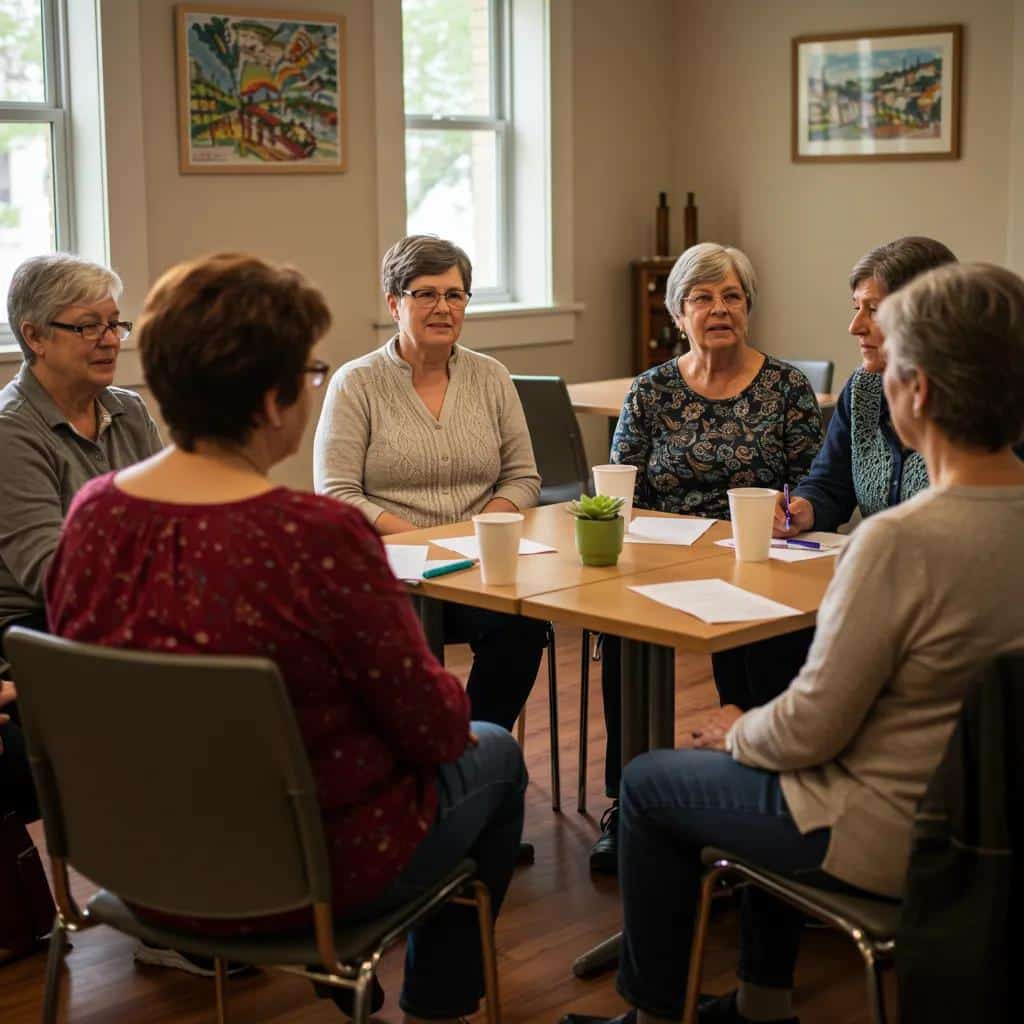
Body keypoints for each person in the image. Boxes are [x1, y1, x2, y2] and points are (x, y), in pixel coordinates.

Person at [45, 253, 527, 1024]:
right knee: (495, 751)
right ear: (274, 400)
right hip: (300, 874)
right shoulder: (316, 536)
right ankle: (437, 1007)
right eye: (309, 373)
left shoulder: (93, 514)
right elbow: (435, 730)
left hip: (137, 864)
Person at [560, 261, 1024, 1024]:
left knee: (649, 782)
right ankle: (761, 1004)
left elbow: (809, 730)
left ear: (919, 391)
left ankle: (656, 1016)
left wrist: (737, 728)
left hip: (889, 833)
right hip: (987, 832)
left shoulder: (899, 542)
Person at [591, 243, 822, 872]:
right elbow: (620, 485)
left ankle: (759, 797)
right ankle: (624, 802)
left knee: (766, 641)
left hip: (757, 557)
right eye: (702, 298)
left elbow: (813, 483)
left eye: (732, 296)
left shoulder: (786, 388)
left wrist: (795, 509)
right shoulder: (652, 390)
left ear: (748, 307)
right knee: (621, 633)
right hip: (663, 557)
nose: (719, 309)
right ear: (678, 313)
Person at [711, 237, 961, 713]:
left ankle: (764, 740)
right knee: (750, 628)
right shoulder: (863, 390)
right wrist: (803, 508)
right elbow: (829, 481)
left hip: (934, 608)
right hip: (872, 584)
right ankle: (751, 737)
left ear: (925, 317)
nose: (855, 326)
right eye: (855, 308)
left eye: (874, 310)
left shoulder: (980, 409)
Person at [313, 234, 546, 732]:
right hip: (392, 574)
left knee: (523, 626)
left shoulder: (492, 377)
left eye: (454, 294)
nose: (443, 307)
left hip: (479, 570)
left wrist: (481, 531)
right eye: (425, 294)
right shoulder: (356, 383)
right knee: (412, 642)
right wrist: (427, 540)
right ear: (394, 303)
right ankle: (427, 749)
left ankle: (472, 746)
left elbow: (522, 476)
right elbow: (336, 493)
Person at [0, 253, 162, 829]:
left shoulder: (128, 410)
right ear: (34, 337)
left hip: (123, 607)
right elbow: (52, 574)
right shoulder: (11, 431)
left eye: (115, 323)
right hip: (38, 625)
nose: (110, 340)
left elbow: (171, 525)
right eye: (87, 326)